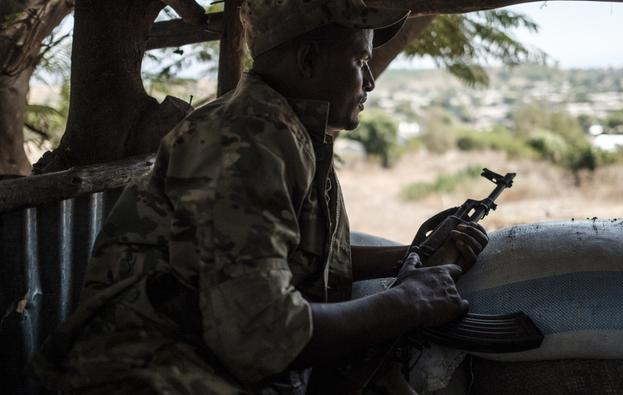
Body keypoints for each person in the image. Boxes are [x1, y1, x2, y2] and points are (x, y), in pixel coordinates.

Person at [31, 1, 489, 393]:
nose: (370, 82)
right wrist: (405, 303)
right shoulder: (247, 139)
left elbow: (293, 259)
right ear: (308, 59)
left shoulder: (290, 132)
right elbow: (262, 333)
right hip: (147, 375)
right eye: (360, 62)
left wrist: (411, 257)